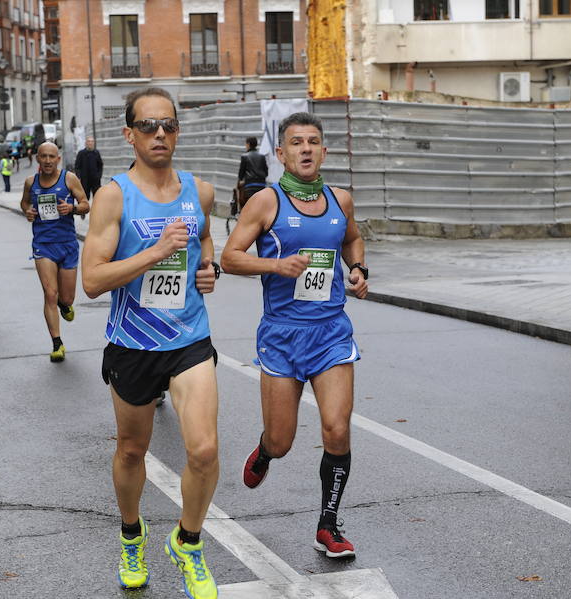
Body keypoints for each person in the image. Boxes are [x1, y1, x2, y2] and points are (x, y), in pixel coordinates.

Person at [81, 87, 220, 598]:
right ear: (129, 134)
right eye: (148, 126)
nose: (159, 134)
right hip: (133, 343)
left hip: (189, 336)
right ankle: (132, 533)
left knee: (204, 449)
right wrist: (157, 249)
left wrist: (210, 268)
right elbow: (92, 280)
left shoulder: (199, 190)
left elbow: (204, 240)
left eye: (168, 125)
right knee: (132, 449)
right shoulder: (114, 196)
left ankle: (188, 541)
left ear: (177, 132)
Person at [221, 112, 369, 560]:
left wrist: (358, 270)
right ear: (282, 154)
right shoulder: (265, 202)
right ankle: (266, 450)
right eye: (297, 142)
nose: (306, 149)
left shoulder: (340, 199)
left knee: (336, 429)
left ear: (324, 151)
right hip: (282, 335)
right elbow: (230, 257)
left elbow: (353, 240)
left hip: (330, 332)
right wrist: (275, 265)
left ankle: (328, 524)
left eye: (314, 142)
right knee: (283, 440)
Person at [20, 141, 89, 362]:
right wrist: (28, 212)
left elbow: (86, 203)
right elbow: (24, 204)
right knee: (50, 293)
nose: (48, 161)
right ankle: (57, 343)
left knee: (66, 298)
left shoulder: (68, 179)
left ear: (57, 159)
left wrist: (73, 208)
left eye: (52, 156)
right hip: (43, 245)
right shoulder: (31, 182)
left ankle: (63, 304)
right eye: (44, 156)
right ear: (38, 159)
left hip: (68, 244)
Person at [236, 136, 268, 211]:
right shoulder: (262, 156)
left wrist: (240, 180)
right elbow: (266, 172)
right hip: (261, 186)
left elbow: (241, 173)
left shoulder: (244, 156)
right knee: (260, 206)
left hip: (249, 186)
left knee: (247, 204)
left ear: (248, 144)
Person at [75, 136, 104, 201]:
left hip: (95, 180)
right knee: (84, 198)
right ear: (86, 143)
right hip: (85, 180)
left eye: (92, 141)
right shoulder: (81, 153)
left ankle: (96, 210)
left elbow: (100, 165)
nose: (90, 143)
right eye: (89, 141)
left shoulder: (96, 153)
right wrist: (79, 176)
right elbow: (77, 166)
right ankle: (85, 210)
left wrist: (99, 176)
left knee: (97, 197)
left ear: (94, 143)